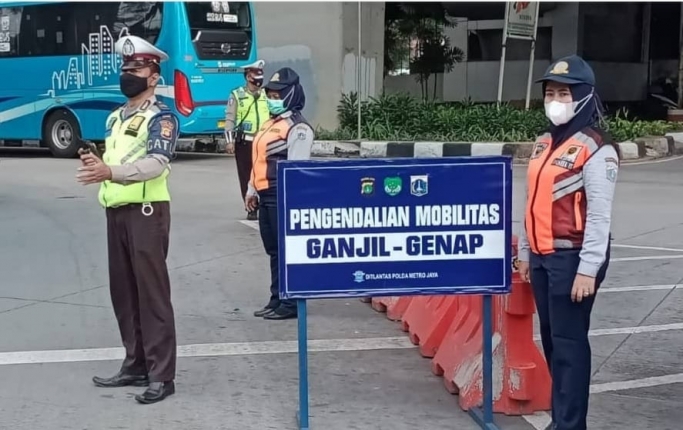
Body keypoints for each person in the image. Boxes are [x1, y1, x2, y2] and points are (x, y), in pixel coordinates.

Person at [517, 55, 619, 430]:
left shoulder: (597, 148)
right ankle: (562, 420)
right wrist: (527, 253)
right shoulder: (545, 142)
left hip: (573, 259)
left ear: (584, 97)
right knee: (553, 344)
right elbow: (532, 200)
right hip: (543, 258)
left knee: (570, 347)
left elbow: (599, 216)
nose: (556, 101)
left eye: (565, 93)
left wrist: (588, 270)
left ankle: (571, 425)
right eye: (551, 93)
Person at [75, 34, 178, 405]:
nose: (128, 73)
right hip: (116, 212)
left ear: (153, 76)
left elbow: (156, 164)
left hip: (147, 212)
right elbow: (115, 160)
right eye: (125, 68)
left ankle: (162, 375)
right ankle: (135, 364)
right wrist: (96, 162)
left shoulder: (162, 117)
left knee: (152, 295)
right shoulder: (116, 117)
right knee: (124, 293)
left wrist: (111, 173)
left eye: (136, 68)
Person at [246, 67, 314, 320]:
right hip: (264, 195)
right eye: (270, 94)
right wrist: (251, 190)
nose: (272, 99)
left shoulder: (298, 128)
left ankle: (291, 302)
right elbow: (258, 159)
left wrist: (290, 202)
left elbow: (297, 170)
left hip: (282, 197)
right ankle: (277, 298)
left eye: (277, 95)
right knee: (274, 250)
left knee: (287, 251)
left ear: (291, 94)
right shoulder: (270, 123)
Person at [224, 59, 270, 221]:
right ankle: (251, 208)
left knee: (264, 174)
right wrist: (229, 141)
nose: (259, 77)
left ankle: (265, 205)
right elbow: (230, 118)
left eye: (261, 74)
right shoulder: (237, 95)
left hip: (264, 141)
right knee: (247, 176)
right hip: (245, 142)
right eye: (256, 74)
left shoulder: (267, 94)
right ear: (248, 76)